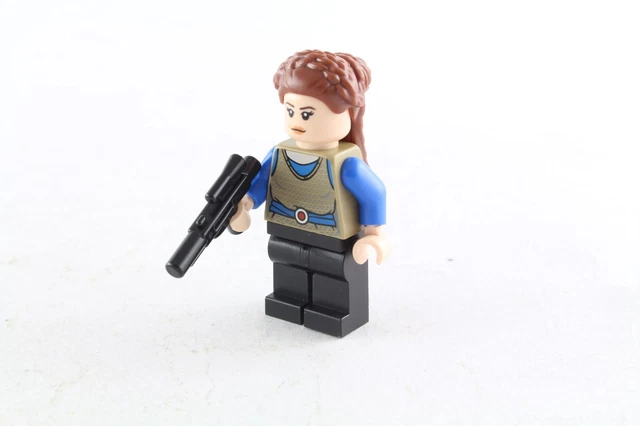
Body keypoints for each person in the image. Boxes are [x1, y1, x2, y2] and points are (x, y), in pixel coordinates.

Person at [229, 50, 391, 337]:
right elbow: (260, 183)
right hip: (285, 229)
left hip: (331, 236)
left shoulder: (347, 165)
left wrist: (375, 234)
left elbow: (374, 193)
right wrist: (245, 204)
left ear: (348, 114)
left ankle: (333, 310)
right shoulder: (279, 153)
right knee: (286, 263)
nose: (297, 121)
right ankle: (289, 300)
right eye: (290, 111)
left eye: (307, 114)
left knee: (333, 272)